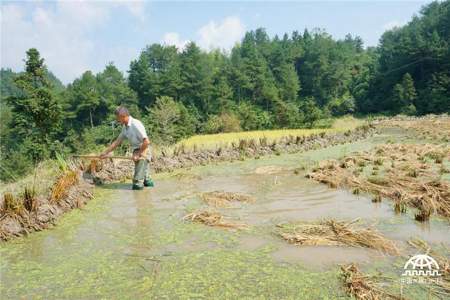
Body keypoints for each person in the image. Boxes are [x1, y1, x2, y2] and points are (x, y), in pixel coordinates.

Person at [100, 106, 154, 190]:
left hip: (144, 150)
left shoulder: (135, 124)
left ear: (122, 116)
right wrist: (105, 153)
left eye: (117, 118)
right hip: (136, 150)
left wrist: (139, 154)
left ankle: (141, 199)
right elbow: (117, 142)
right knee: (146, 179)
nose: (117, 120)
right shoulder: (125, 127)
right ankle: (151, 194)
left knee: (137, 182)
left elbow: (146, 141)